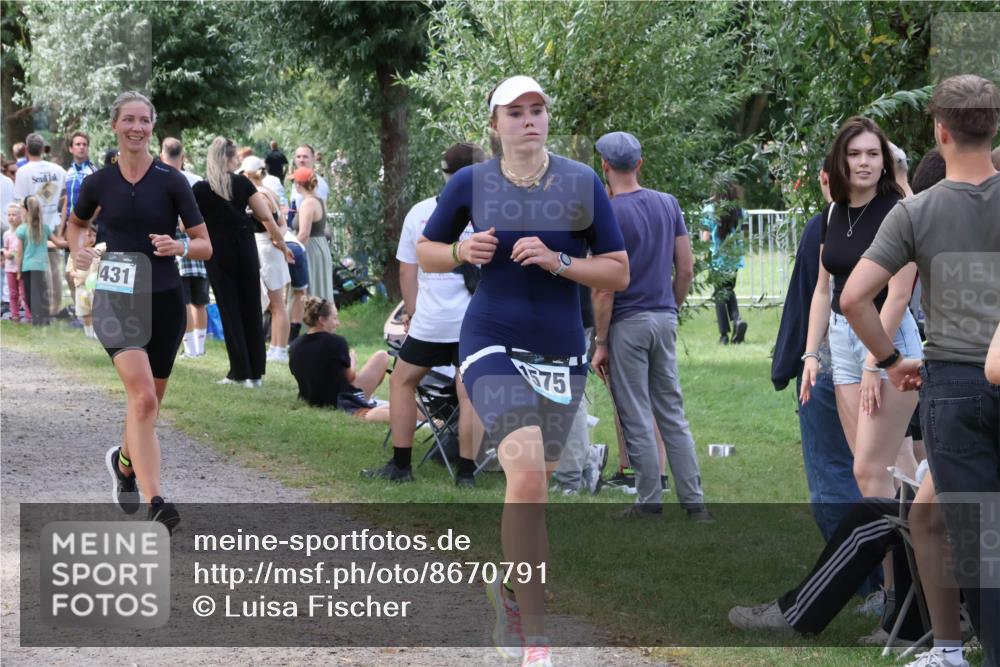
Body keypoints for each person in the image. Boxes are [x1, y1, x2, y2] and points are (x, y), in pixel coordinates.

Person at [418, 75, 628, 667]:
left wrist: (561, 260)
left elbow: (618, 272)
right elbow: (426, 253)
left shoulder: (582, 182)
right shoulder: (471, 183)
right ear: (495, 124)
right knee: (529, 473)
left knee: (535, 487)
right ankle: (533, 634)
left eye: (537, 110)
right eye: (516, 112)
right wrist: (461, 251)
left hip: (562, 348)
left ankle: (510, 587)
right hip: (491, 339)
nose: (529, 120)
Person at [841, 73, 1000, 667]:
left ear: (940, 131)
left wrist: (887, 359)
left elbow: (854, 298)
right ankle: (951, 648)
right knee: (932, 516)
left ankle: (969, 650)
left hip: (955, 388)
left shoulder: (918, 211)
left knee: (978, 538)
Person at [67, 91, 212, 533]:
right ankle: (157, 503)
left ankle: (124, 463)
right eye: (128, 119)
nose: (137, 127)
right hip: (116, 293)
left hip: (166, 299)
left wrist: (180, 245)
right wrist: (80, 252)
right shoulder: (98, 182)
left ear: (153, 126)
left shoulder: (172, 181)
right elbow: (74, 226)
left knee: (148, 405)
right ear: (115, 126)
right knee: (144, 397)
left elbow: (206, 245)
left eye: (144, 120)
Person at [800, 116, 921, 502]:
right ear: (841, 161)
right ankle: (892, 561)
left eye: (872, 153)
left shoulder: (899, 211)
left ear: (885, 161)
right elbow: (824, 290)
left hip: (888, 336)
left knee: (873, 470)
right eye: (854, 154)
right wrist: (810, 354)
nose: (864, 162)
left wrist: (876, 361)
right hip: (841, 335)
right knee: (873, 471)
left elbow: (900, 296)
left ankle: (920, 554)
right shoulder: (834, 211)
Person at [591, 131, 710, 521]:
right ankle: (695, 502)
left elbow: (604, 290)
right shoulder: (668, 203)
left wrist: (601, 340)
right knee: (672, 412)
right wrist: (670, 307)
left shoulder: (606, 213)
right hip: (664, 317)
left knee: (637, 413)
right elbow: (687, 267)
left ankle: (649, 500)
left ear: (604, 166)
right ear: (640, 164)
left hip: (627, 323)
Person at [361, 142, 487, 486]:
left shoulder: (419, 213)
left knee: (402, 381)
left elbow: (407, 271)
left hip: (431, 322)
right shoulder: (493, 212)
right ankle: (466, 473)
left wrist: (412, 314)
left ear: (445, 174)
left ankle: (401, 465)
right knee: (470, 391)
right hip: (476, 321)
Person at [772, 153, 862, 542]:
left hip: (830, 366)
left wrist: (795, 359)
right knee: (869, 471)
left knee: (833, 479)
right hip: (870, 362)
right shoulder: (891, 221)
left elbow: (808, 298)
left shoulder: (824, 226)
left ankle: (863, 578)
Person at [193, 137, 292, 387]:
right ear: (230, 157)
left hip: (218, 252)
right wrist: (282, 244)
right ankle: (256, 373)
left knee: (230, 310)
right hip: (245, 249)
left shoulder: (201, 190)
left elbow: (187, 224)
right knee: (251, 308)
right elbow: (265, 215)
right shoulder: (242, 183)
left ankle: (239, 371)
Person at [288, 296, 390, 421]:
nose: (338, 323)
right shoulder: (336, 342)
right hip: (339, 399)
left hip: (311, 397)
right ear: (321, 320)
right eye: (335, 318)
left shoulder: (295, 345)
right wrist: (353, 361)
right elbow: (350, 377)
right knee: (382, 356)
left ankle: (370, 399)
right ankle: (368, 400)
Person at [238, 155, 292, 362]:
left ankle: (280, 348)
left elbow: (270, 224)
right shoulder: (269, 192)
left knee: (276, 302)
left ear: (246, 174)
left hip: (265, 248)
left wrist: (276, 240)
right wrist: (280, 240)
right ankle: (276, 346)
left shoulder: (258, 195)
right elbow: (282, 223)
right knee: (275, 303)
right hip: (270, 247)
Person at [160, 137, 208, 358]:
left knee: (185, 301)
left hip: (176, 247)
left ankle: (189, 349)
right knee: (200, 301)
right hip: (197, 245)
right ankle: (200, 348)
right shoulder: (196, 180)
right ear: (183, 156)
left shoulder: (160, 179)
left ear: (162, 154)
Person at [14, 132, 67, 317]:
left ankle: (42, 309)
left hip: (33, 228)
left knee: (36, 272)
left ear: (27, 149)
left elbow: (22, 203)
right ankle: (56, 307)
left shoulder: (23, 171)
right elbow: (64, 198)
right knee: (54, 269)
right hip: (53, 224)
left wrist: (21, 230)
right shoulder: (58, 170)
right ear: (44, 148)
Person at [700, 182, 748, 344]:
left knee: (720, 295)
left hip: (717, 259)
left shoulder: (709, 211)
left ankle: (724, 335)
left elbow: (706, 238)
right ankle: (737, 320)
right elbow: (742, 234)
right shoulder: (740, 212)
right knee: (729, 291)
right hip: (734, 259)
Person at [60, 131, 98, 310]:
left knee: (84, 272)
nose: (81, 147)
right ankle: (79, 309)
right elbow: (67, 201)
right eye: (78, 144)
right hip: (70, 228)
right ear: (70, 148)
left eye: (84, 144)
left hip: (87, 227)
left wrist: (91, 224)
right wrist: (61, 230)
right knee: (69, 272)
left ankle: (89, 311)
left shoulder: (92, 171)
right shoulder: (67, 173)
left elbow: (100, 201)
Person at [16, 196, 62, 325]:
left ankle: (37, 320)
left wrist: (18, 270)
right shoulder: (45, 228)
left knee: (30, 295)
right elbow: (58, 242)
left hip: (27, 267)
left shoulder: (21, 229)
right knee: (42, 293)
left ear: (26, 210)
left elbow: (20, 253)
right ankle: (45, 319)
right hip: (42, 266)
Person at [291, 167, 334, 303]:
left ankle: (314, 321)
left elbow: (304, 234)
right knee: (321, 287)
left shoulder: (308, 203)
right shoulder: (319, 200)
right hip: (320, 246)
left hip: (310, 249)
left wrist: (292, 251)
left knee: (312, 289)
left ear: (298, 185)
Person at [68, 224, 104, 339]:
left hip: (93, 289)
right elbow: (70, 271)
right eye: (89, 235)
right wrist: (77, 275)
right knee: (85, 313)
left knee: (96, 311)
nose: (92, 238)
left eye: (94, 235)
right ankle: (88, 333)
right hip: (81, 288)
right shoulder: (75, 253)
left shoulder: (96, 251)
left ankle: (97, 333)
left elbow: (105, 246)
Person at [3, 202, 29, 322]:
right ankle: (14, 315)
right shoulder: (6, 234)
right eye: (9, 215)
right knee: (13, 293)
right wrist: (4, 253)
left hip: (22, 267)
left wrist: (15, 254)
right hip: (10, 268)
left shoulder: (24, 232)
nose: (11, 217)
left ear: (20, 216)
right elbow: (5, 248)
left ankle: (29, 315)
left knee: (24, 293)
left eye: (14, 214)